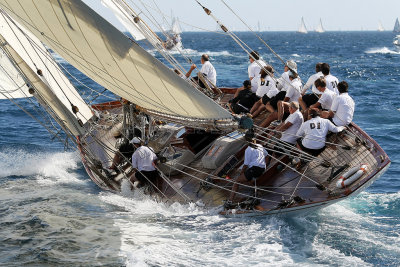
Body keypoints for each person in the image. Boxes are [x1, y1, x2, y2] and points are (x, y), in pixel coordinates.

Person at [228, 133, 269, 202]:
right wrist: (265, 166)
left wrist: (241, 173)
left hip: (254, 169)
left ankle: (230, 200)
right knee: (247, 177)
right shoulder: (260, 146)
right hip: (262, 168)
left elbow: (245, 165)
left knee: (237, 181)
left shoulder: (248, 150)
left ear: (246, 141)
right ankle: (257, 192)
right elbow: (267, 156)